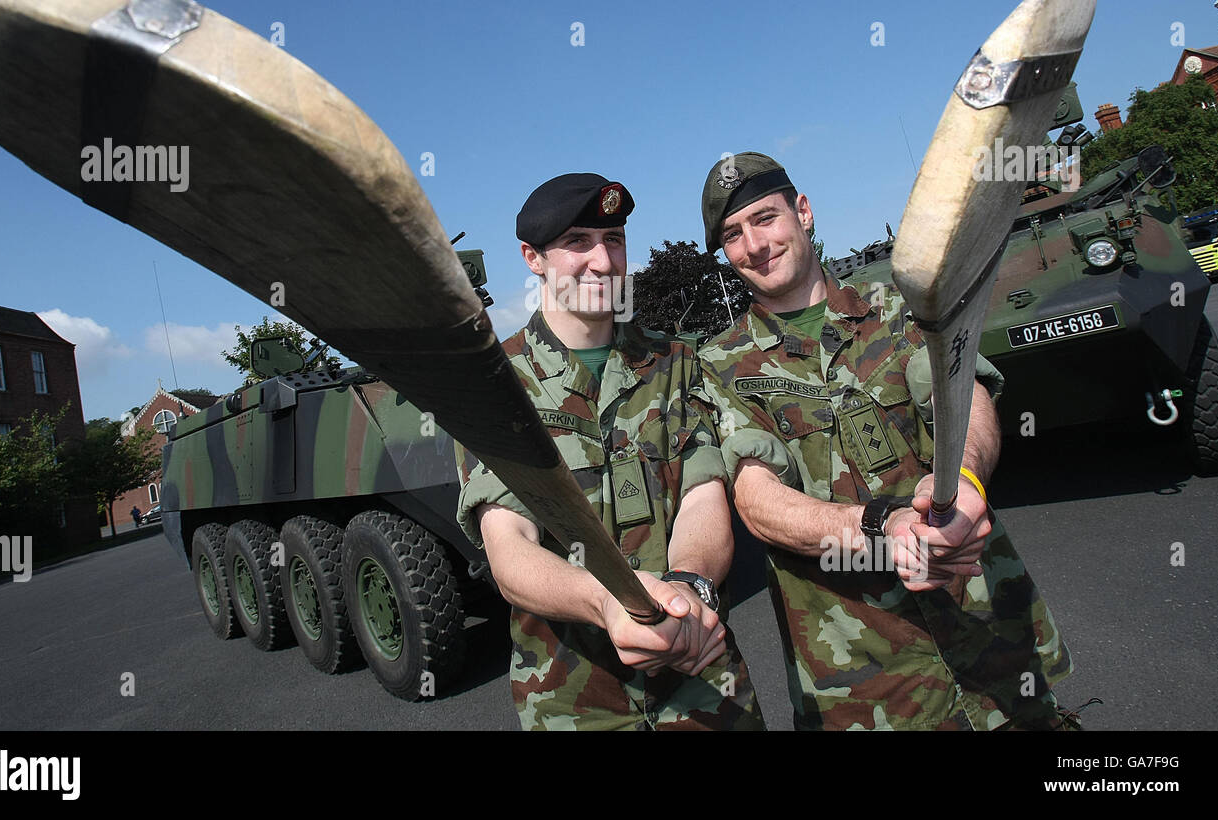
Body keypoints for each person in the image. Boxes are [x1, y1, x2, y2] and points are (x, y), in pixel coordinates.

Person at [696, 151, 1072, 730]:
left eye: (766, 217)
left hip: (989, 635)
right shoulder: (720, 367)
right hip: (865, 684)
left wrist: (963, 478)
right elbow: (757, 498)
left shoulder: (901, 308)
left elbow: (961, 396)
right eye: (733, 234)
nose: (755, 244)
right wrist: (881, 527)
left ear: (803, 211)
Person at [455, 172, 765, 731]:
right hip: (576, 704)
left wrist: (687, 591)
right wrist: (607, 605)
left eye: (614, 239)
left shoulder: (675, 364)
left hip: (706, 687)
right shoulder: (496, 389)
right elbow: (510, 549)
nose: (603, 260)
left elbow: (702, 495)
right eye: (578, 242)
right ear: (533, 258)